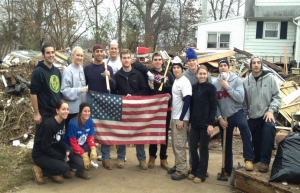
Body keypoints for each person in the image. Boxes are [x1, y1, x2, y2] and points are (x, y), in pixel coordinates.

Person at [132, 52, 174, 170]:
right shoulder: (149, 72)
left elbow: (173, 90)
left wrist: (166, 85)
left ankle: (163, 158)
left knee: (164, 133)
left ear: (162, 61)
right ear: (152, 61)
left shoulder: (168, 74)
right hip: (153, 109)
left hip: (166, 108)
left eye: (159, 59)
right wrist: (148, 72)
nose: (157, 61)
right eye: (155, 59)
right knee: (153, 132)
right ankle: (152, 157)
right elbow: (136, 64)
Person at [213, 58, 255, 176]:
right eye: (221, 66)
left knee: (243, 126)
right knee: (226, 142)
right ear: (218, 68)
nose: (223, 68)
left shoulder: (236, 80)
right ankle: (227, 169)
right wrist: (220, 118)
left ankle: (249, 159)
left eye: (225, 65)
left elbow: (240, 98)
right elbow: (214, 104)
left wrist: (227, 87)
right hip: (224, 117)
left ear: (228, 67)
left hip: (237, 112)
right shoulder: (215, 84)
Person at [243, 56, 282, 173]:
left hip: (267, 113)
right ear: (250, 66)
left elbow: (277, 97)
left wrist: (271, 110)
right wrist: (245, 116)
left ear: (261, 65)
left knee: (269, 130)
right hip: (254, 115)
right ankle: (257, 158)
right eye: (253, 63)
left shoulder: (270, 78)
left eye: (258, 63)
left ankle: (265, 161)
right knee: (254, 140)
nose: (256, 65)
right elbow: (244, 102)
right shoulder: (246, 82)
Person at [114, 49, 149, 170]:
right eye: (124, 57)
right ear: (121, 59)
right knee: (122, 133)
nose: (126, 60)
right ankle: (120, 157)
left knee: (139, 133)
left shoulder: (138, 74)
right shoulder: (117, 75)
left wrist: (133, 97)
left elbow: (145, 90)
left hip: (137, 110)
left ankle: (142, 159)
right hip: (123, 110)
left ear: (131, 58)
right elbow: (113, 93)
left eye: (128, 57)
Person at [84, 44, 116, 170]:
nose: (99, 53)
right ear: (93, 53)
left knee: (104, 131)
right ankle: (88, 156)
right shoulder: (87, 68)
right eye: (97, 51)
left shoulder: (108, 68)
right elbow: (84, 86)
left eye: (101, 51)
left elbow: (114, 86)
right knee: (89, 131)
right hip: (91, 105)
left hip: (104, 105)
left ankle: (106, 157)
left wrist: (109, 77)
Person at [183, 48, 212, 173]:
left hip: (204, 115)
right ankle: (192, 165)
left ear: (197, 60)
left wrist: (211, 119)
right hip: (191, 112)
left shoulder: (205, 73)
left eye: (194, 60)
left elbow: (211, 95)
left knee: (203, 145)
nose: (192, 63)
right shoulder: (185, 76)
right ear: (187, 62)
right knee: (192, 142)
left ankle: (202, 168)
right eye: (189, 60)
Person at [188, 65, 217, 183]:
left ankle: (201, 174)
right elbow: (192, 106)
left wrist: (211, 124)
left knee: (203, 149)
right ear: (197, 75)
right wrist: (190, 122)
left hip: (206, 125)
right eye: (200, 74)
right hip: (194, 124)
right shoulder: (194, 88)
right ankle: (194, 170)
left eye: (204, 74)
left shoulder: (211, 88)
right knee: (193, 148)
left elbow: (213, 107)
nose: (202, 76)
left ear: (207, 75)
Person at [31, 100, 72, 184]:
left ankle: (52, 170)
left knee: (70, 151)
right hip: (40, 154)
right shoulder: (50, 125)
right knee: (64, 168)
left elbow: (57, 141)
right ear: (57, 110)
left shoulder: (61, 121)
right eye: (63, 109)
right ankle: (40, 170)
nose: (66, 112)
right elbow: (45, 147)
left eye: (67, 109)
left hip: (50, 149)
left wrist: (66, 148)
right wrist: (62, 157)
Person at [167, 59, 192, 180]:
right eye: (174, 68)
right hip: (175, 116)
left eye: (178, 67)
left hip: (181, 118)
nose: (176, 69)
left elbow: (187, 101)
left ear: (182, 69)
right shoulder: (176, 81)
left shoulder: (185, 81)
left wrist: (182, 119)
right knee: (175, 144)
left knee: (180, 144)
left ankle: (182, 170)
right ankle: (178, 165)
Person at [30, 43, 61, 133]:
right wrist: (36, 113)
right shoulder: (38, 72)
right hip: (44, 113)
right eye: (48, 53)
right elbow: (33, 93)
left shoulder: (56, 71)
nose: (51, 55)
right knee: (42, 140)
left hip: (55, 112)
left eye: (52, 52)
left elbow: (58, 90)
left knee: (54, 140)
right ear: (43, 55)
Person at [63, 102, 99, 179]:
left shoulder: (90, 121)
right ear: (80, 112)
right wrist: (84, 155)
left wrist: (92, 148)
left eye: (89, 111)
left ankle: (79, 172)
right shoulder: (73, 124)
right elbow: (73, 144)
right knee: (83, 163)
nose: (87, 113)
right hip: (69, 150)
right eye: (85, 111)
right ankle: (66, 166)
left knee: (96, 151)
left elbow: (90, 137)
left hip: (80, 146)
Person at [61, 46, 88, 128]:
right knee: (71, 134)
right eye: (77, 55)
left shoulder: (81, 69)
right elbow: (64, 90)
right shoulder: (68, 71)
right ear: (72, 55)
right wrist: (80, 90)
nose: (79, 58)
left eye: (81, 56)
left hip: (81, 109)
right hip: (72, 110)